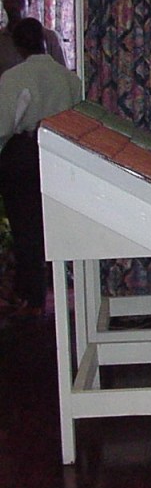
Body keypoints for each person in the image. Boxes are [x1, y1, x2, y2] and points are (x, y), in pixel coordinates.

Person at [0, 18, 81, 316]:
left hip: (24, 153)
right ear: (45, 41)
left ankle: (33, 298)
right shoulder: (70, 79)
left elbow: (5, 124)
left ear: (18, 46)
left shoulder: (15, 77)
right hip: (60, 153)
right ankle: (62, 287)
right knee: (56, 223)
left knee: (26, 227)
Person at [0, 0, 67, 78]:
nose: (13, 5)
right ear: (4, 4)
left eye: (19, 0)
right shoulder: (1, 40)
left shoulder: (50, 38)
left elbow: (63, 77)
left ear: (29, 2)